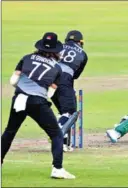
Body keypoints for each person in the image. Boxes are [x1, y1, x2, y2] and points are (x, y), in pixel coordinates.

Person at [1, 32, 75, 179]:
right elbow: (50, 94)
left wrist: (24, 87)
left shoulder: (26, 58)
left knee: (10, 131)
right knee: (56, 134)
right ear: (56, 50)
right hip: (37, 102)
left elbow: (13, 81)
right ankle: (57, 169)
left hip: (19, 98)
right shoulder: (57, 68)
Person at [51, 30, 88, 152]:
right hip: (64, 80)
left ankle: (63, 141)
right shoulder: (83, 54)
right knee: (71, 113)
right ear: (80, 42)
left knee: (63, 112)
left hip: (48, 79)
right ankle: (58, 134)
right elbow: (75, 75)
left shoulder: (58, 47)